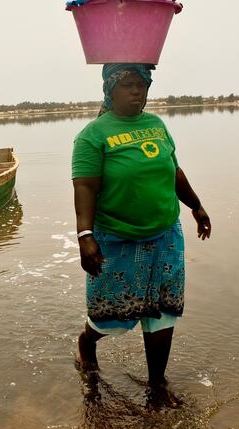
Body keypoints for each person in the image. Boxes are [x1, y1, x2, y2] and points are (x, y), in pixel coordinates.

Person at [72, 63, 211, 407]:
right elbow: (86, 187)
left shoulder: (157, 125)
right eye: (128, 85)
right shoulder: (93, 135)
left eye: (141, 84)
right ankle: (87, 342)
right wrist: (85, 236)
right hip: (117, 240)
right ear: (110, 90)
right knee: (111, 313)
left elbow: (173, 171)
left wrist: (196, 206)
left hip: (165, 236)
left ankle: (157, 386)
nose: (136, 91)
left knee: (162, 311)